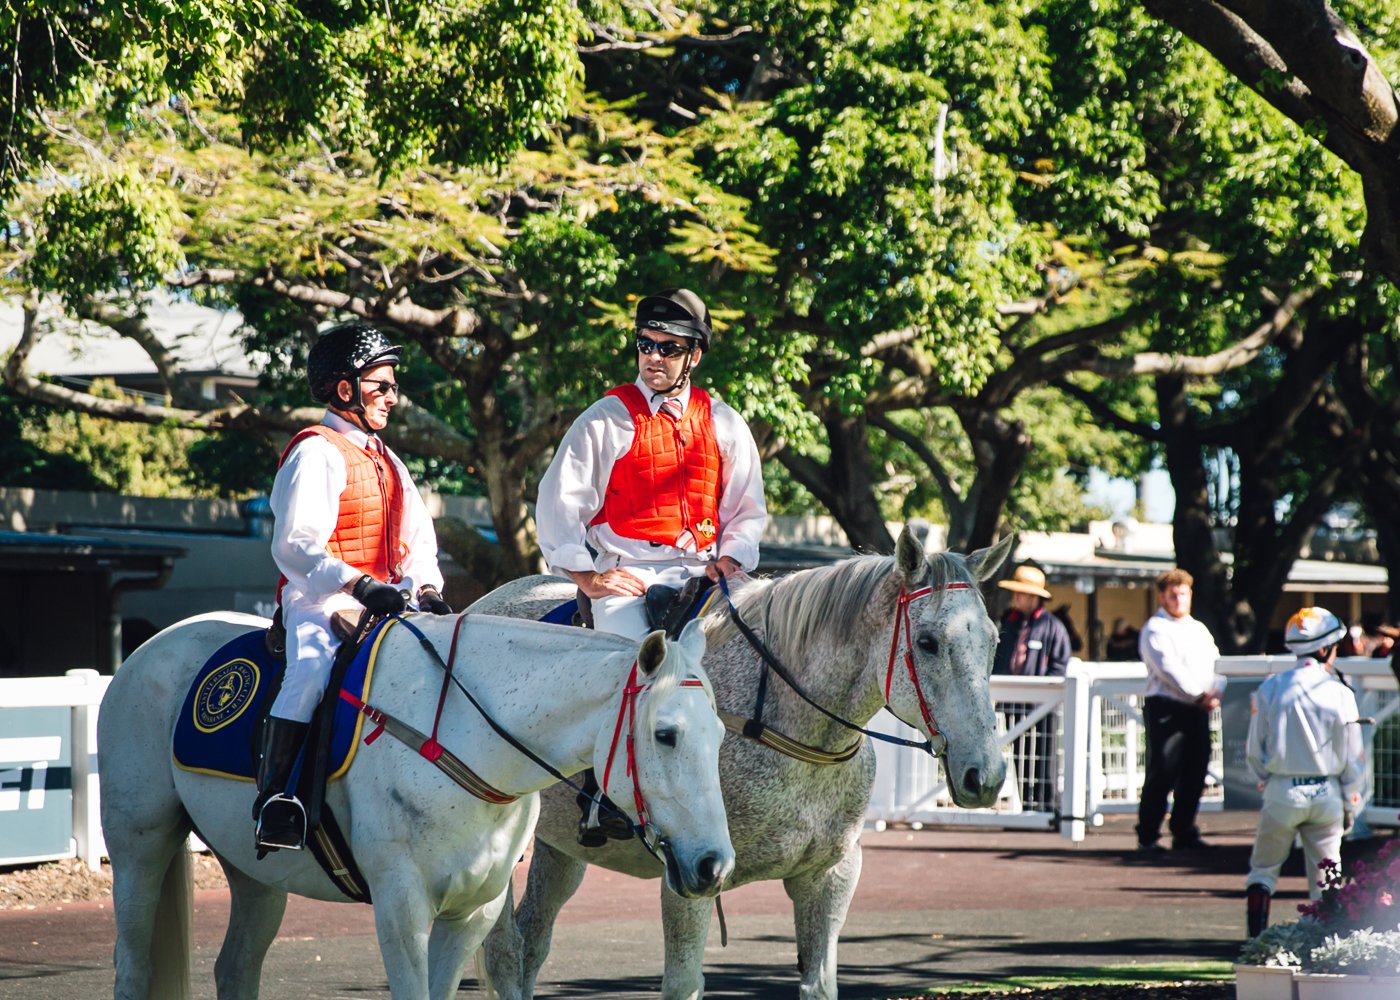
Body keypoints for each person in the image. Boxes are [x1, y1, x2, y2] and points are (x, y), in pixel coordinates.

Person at [255, 322, 452, 852]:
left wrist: (426, 588)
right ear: (346, 390)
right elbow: (296, 546)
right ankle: (276, 801)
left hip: (386, 598)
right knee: (312, 670)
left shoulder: (389, 461)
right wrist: (358, 584)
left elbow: (419, 542)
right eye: (381, 386)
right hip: (320, 598)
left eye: (392, 386)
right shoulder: (315, 452)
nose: (392, 396)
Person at [536, 287, 767, 641]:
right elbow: (559, 504)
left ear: (695, 356)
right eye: (646, 345)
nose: (654, 357)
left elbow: (747, 509)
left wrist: (731, 559)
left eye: (669, 348)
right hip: (630, 576)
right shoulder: (604, 419)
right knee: (633, 670)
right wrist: (588, 579)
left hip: (705, 573)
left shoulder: (725, 422)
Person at [1243, 606, 1364, 937]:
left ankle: (1255, 944)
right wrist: (1351, 802)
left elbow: (1254, 748)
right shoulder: (1341, 692)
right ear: (1324, 649)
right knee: (1327, 877)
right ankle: (1326, 948)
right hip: (1326, 793)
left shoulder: (1271, 687)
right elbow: (1354, 758)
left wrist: (1265, 779)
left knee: (1264, 870)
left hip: (1282, 790)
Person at [1135, 568, 1224, 853]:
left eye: (1182, 593)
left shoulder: (1198, 629)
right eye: (1172, 594)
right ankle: (1148, 833)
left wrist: (1214, 691)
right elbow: (1168, 669)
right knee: (1163, 770)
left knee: (1195, 770)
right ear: (1162, 597)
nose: (1178, 599)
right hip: (1168, 708)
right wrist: (1199, 695)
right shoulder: (1155, 628)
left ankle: (1184, 829)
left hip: (1197, 708)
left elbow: (1216, 664)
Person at [992, 563, 1072, 811]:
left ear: (1035, 596)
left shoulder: (1053, 627)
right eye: (1015, 592)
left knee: (1043, 758)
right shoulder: (1007, 623)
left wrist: (1045, 692)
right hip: (1012, 703)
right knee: (1020, 758)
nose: (1016, 597)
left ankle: (1046, 808)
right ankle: (1028, 808)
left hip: (1042, 706)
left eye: (1022, 593)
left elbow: (1060, 664)